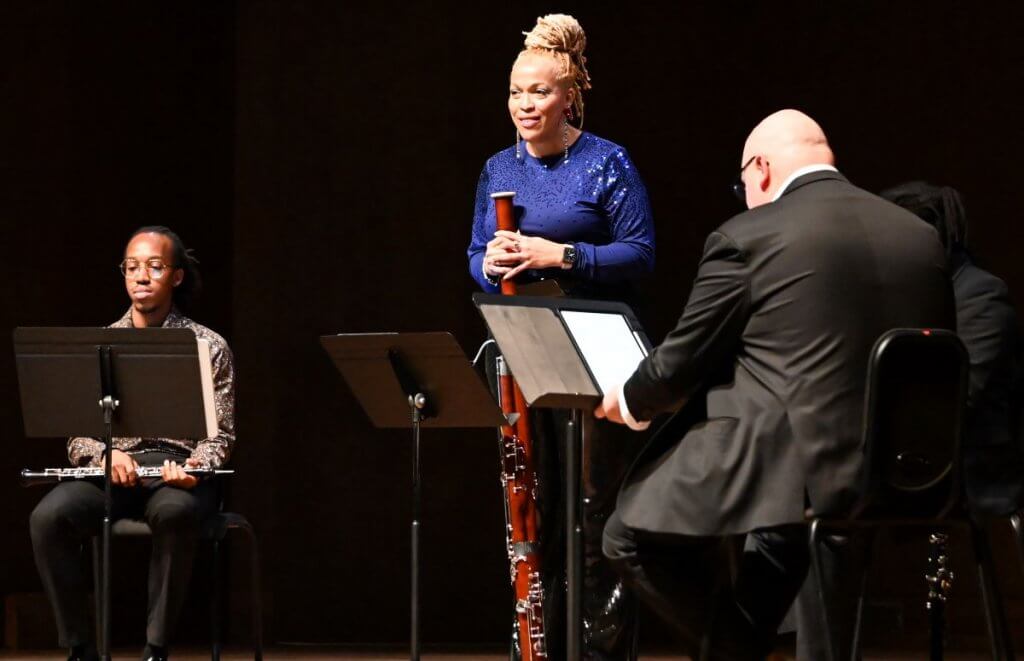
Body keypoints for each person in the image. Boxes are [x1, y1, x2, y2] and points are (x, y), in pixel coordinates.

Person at [596, 109, 955, 659]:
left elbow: (682, 360)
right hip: (911, 472)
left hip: (801, 467)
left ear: (759, 168)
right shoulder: (920, 237)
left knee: (627, 533)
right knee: (780, 532)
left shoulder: (750, 237)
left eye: (741, 184)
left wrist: (629, 399)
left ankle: (736, 649)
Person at [466, 14, 655, 660]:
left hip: (599, 353)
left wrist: (560, 255)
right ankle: (537, 648)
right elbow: (475, 254)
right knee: (535, 510)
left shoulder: (607, 162)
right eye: (516, 92)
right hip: (525, 350)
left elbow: (640, 254)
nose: (524, 104)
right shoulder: (497, 167)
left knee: (594, 510)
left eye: (539, 92)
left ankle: (599, 651)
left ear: (569, 97)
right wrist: (489, 263)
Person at [29, 226, 236, 661]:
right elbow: (78, 436)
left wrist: (194, 469)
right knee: (48, 516)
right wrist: (107, 454)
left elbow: (221, 434)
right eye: (132, 267)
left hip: (178, 472)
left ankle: (156, 648)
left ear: (176, 276)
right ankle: (80, 647)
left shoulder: (208, 345)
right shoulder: (102, 343)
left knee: (175, 513)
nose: (141, 276)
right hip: (117, 468)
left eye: (155, 267)